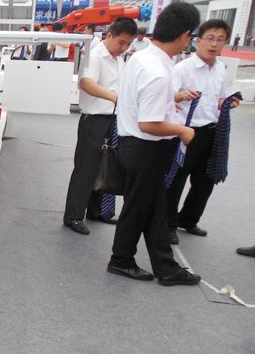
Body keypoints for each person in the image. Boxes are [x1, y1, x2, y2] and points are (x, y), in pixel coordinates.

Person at [107, 2, 201, 286]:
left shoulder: (141, 58)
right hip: (146, 148)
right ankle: (121, 260)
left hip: (134, 145)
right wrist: (182, 130)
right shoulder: (158, 71)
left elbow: (141, 102)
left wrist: (172, 101)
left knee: (155, 209)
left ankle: (165, 267)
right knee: (138, 209)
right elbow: (149, 123)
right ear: (185, 35)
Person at [167, 19, 240, 245]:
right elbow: (166, 97)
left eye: (220, 40)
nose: (214, 44)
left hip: (211, 131)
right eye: (210, 38)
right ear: (198, 40)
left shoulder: (220, 69)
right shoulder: (183, 68)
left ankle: (188, 219)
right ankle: (168, 224)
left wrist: (227, 103)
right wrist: (181, 95)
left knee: (205, 180)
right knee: (177, 179)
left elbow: (220, 98)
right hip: (186, 131)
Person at [63, 18, 138, 235]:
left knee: (106, 166)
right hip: (95, 121)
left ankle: (97, 211)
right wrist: (114, 97)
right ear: (110, 35)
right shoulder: (95, 56)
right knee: (86, 170)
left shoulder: (119, 59)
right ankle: (74, 216)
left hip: (114, 120)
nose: (124, 47)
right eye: (121, 42)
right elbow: (86, 83)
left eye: (128, 44)